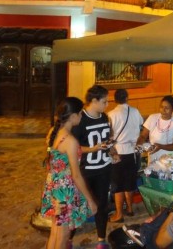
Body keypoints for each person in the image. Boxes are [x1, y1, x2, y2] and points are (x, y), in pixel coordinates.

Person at [41, 97, 98, 249]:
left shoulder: (55, 131)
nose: (81, 116)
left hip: (55, 186)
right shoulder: (70, 140)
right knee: (63, 235)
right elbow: (76, 175)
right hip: (64, 192)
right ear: (73, 116)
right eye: (80, 114)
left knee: (56, 232)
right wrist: (90, 199)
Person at [71, 85, 113, 245]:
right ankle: (68, 238)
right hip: (86, 171)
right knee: (79, 206)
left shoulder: (104, 117)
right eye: (104, 101)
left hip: (104, 168)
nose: (107, 105)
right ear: (94, 101)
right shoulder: (80, 119)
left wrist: (112, 152)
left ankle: (101, 240)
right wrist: (93, 149)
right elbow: (73, 147)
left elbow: (107, 139)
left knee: (102, 205)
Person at [107, 89, 143, 223]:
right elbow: (140, 127)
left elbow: (109, 135)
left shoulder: (110, 115)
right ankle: (130, 208)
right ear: (127, 97)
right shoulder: (135, 111)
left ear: (114, 99)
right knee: (130, 182)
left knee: (118, 185)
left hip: (118, 153)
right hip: (132, 152)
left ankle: (119, 214)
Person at [137, 95, 173, 164]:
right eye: (162, 107)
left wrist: (161, 146)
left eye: (167, 108)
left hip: (169, 160)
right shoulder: (152, 118)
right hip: (153, 157)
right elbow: (143, 136)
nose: (163, 110)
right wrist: (139, 146)